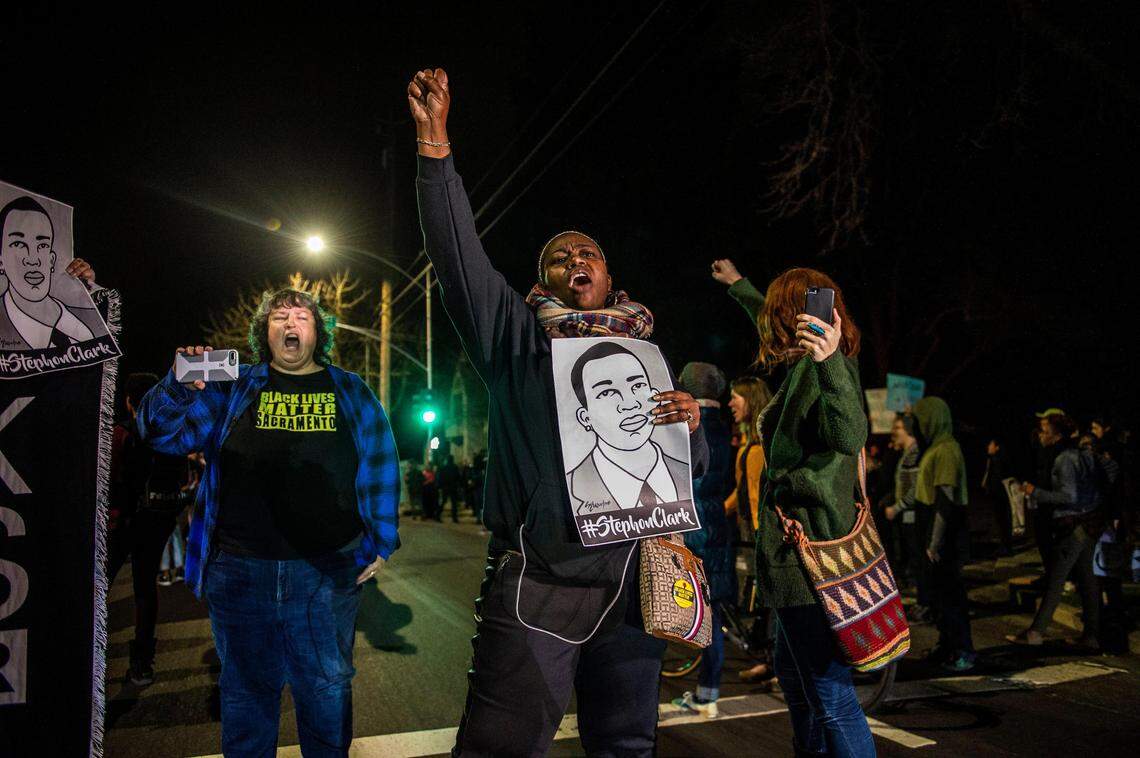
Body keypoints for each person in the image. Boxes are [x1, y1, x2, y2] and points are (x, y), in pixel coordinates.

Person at [409, 67, 708, 757]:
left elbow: (685, 474)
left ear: (608, 277)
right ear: (542, 280)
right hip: (540, 585)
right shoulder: (514, 339)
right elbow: (457, 257)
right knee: (501, 748)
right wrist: (435, 149)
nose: (577, 259)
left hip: (636, 586)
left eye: (589, 254)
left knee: (627, 746)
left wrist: (689, 425)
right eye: (560, 257)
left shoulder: (645, 353)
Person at [136, 288, 400, 757]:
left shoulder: (351, 390)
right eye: (279, 317)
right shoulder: (233, 386)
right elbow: (160, 434)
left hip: (325, 573)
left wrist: (381, 540)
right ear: (265, 333)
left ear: (318, 334)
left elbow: (380, 460)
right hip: (240, 573)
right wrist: (177, 385)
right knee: (246, 695)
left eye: (302, 316)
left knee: (325, 691)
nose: (291, 323)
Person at [722, 260, 876, 757]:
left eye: (776, 314)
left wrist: (828, 362)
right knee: (797, 680)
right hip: (797, 557)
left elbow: (849, 434)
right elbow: (768, 314)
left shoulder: (828, 367)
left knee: (831, 696)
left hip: (812, 558)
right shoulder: (804, 368)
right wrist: (741, 288)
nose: (770, 326)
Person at [108, 372, 192, 686]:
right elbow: (183, 478)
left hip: (124, 520)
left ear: (129, 401)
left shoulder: (122, 433)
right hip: (159, 518)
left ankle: (90, 654)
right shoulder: (171, 433)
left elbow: (109, 479)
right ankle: (142, 663)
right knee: (145, 588)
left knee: (99, 587)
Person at [673, 362, 734, 719]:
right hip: (716, 526)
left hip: (690, 528)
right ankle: (708, 691)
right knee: (713, 615)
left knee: (668, 606)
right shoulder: (724, 427)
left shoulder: (688, 424)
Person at [1010, 413, 1102, 649]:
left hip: (1072, 524)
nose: (1040, 435)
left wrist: (1035, 492)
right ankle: (1091, 635)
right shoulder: (1080, 454)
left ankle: (1036, 632)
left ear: (1057, 434)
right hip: (1088, 523)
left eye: (1045, 430)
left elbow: (1068, 496)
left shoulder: (1064, 459)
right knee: (1087, 579)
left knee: (1056, 578)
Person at [567, 342, 691, 514]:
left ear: (656, 395)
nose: (629, 404)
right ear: (585, 417)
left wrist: (691, 428)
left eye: (638, 386)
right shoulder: (568, 487)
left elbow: (700, 466)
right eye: (606, 392)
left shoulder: (682, 469)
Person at [912, 397, 975, 672]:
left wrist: (934, 542)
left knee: (951, 595)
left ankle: (963, 651)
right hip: (933, 526)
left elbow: (945, 498)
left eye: (920, 420)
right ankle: (947, 646)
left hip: (945, 530)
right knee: (938, 595)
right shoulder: (936, 447)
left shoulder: (947, 449)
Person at [0, 195, 107, 349]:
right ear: (1, 261)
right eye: (18, 244)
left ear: (51, 259)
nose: (33, 260)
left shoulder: (84, 315)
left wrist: (86, 289)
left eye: (42, 245)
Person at [723, 375, 776, 684]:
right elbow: (741, 491)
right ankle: (769, 660)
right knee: (761, 601)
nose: (731, 403)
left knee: (768, 600)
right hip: (750, 529)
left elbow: (756, 496)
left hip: (759, 532)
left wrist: (759, 536)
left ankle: (776, 662)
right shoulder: (750, 443)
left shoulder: (758, 447)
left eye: (736, 397)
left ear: (751, 400)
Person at [882, 413, 930, 622]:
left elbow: (914, 489)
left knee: (919, 561)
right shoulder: (907, 453)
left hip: (912, 516)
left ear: (909, 430)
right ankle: (923, 601)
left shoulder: (914, 453)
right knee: (915, 561)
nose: (894, 432)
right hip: (908, 516)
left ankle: (925, 603)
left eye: (898, 428)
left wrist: (897, 508)